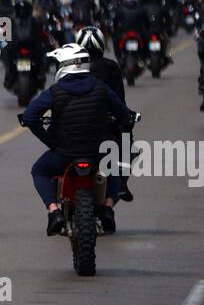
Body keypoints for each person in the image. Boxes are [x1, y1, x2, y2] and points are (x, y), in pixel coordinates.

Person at [18, 42, 136, 237]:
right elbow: (124, 115)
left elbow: (30, 117)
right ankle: (107, 208)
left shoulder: (55, 91)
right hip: (96, 153)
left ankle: (54, 211)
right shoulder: (101, 88)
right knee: (114, 167)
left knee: (38, 171)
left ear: (65, 65)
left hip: (64, 154)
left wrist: (50, 141)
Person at [76, 25, 133, 202]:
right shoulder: (111, 67)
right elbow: (119, 101)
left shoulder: (72, 67)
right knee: (126, 138)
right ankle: (122, 184)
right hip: (105, 124)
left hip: (75, 125)